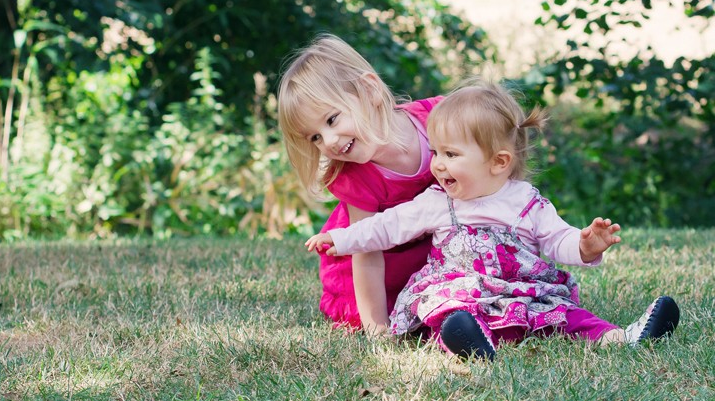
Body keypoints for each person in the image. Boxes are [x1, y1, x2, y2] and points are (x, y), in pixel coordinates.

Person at [306, 82, 680, 360]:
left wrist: (584, 245)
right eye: (436, 152)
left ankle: (621, 337)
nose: (437, 164)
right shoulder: (437, 201)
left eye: (450, 154)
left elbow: (555, 238)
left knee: (565, 314)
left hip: (519, 288)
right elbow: (386, 228)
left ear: (498, 162)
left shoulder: (524, 202)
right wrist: (342, 239)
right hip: (462, 287)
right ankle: (469, 345)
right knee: (450, 309)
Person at [278, 34, 443, 333]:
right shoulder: (358, 177)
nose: (328, 141)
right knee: (409, 313)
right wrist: (377, 328)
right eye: (315, 137)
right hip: (383, 269)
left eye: (331, 120)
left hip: (434, 255)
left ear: (369, 90)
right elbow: (367, 255)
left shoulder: (436, 121)